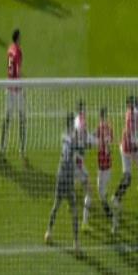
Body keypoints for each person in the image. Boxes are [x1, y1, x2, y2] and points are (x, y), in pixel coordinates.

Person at [112, 96, 138, 234]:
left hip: (132, 148)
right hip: (127, 149)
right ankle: (116, 197)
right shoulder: (131, 117)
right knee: (128, 179)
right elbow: (132, 134)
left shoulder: (137, 113)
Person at [44, 113, 80, 251]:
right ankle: (75, 243)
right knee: (74, 210)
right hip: (67, 178)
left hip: (61, 175)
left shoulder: (64, 136)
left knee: (56, 205)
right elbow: (75, 151)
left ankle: (49, 232)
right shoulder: (72, 139)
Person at [1, 29, 26, 157]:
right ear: (17, 38)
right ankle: (22, 148)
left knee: (7, 118)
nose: (21, 39)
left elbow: (10, 68)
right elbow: (18, 71)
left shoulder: (10, 49)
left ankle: (3, 145)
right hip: (16, 89)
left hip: (8, 87)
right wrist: (23, 87)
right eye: (20, 37)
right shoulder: (18, 52)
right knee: (22, 118)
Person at [73, 100, 95, 231]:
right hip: (78, 164)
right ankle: (84, 222)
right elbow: (84, 142)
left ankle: (70, 201)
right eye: (84, 109)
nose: (86, 110)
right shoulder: (81, 123)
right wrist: (93, 141)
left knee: (74, 184)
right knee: (90, 191)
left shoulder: (77, 121)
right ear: (81, 110)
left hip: (72, 161)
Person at [96, 107, 114, 219]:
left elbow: (97, 141)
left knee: (100, 190)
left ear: (100, 116)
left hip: (102, 162)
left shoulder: (99, 128)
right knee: (104, 186)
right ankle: (106, 200)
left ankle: (108, 210)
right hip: (108, 163)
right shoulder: (109, 128)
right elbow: (110, 141)